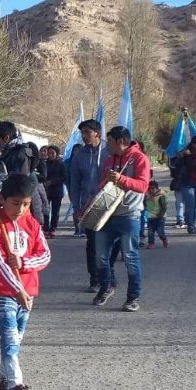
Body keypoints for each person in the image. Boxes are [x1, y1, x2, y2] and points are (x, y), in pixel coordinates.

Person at [0, 174, 50, 390]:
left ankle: (3, 379)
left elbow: (45, 255)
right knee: (10, 336)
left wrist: (24, 263)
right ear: (2, 199)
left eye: (26, 204)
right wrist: (15, 288)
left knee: (17, 338)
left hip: (29, 290)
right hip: (5, 290)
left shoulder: (32, 224)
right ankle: (17, 384)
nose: (20, 209)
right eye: (15, 203)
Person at [92, 126, 150, 313]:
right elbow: (102, 185)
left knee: (130, 256)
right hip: (106, 214)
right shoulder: (109, 160)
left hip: (129, 214)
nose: (106, 145)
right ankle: (106, 287)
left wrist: (122, 179)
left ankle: (133, 297)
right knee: (100, 256)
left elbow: (143, 185)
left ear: (121, 141)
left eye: (109, 141)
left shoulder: (140, 158)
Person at [70, 119, 108, 293]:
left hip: (109, 204)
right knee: (92, 244)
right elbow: (75, 183)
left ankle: (108, 275)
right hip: (88, 206)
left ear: (97, 133)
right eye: (82, 133)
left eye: (87, 132)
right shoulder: (79, 156)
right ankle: (95, 279)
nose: (84, 136)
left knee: (109, 243)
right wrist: (76, 207)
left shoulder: (109, 151)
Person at [176, 136, 196, 234]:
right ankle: (190, 226)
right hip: (187, 182)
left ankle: (193, 224)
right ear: (192, 144)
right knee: (190, 204)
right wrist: (181, 155)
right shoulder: (186, 153)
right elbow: (176, 165)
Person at [43, 145, 66, 238]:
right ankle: (45, 228)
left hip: (57, 191)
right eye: (49, 153)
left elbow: (64, 177)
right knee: (45, 210)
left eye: (52, 153)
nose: (50, 155)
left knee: (55, 212)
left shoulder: (61, 164)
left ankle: (53, 228)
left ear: (56, 154)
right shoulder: (44, 163)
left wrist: (52, 182)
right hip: (46, 191)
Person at [65, 143, 84, 237]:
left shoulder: (85, 161)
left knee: (84, 208)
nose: (76, 152)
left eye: (79, 150)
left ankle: (83, 229)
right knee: (76, 208)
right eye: (75, 150)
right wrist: (69, 189)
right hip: (73, 188)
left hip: (84, 188)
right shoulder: (68, 162)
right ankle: (77, 229)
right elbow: (66, 177)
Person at [144, 180, 168, 249]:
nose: (151, 190)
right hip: (150, 217)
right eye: (149, 188)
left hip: (160, 218)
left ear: (157, 189)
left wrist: (160, 215)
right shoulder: (147, 196)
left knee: (160, 231)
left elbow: (164, 207)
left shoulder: (160, 196)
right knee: (150, 232)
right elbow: (145, 204)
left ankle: (164, 239)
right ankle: (151, 243)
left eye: (153, 188)